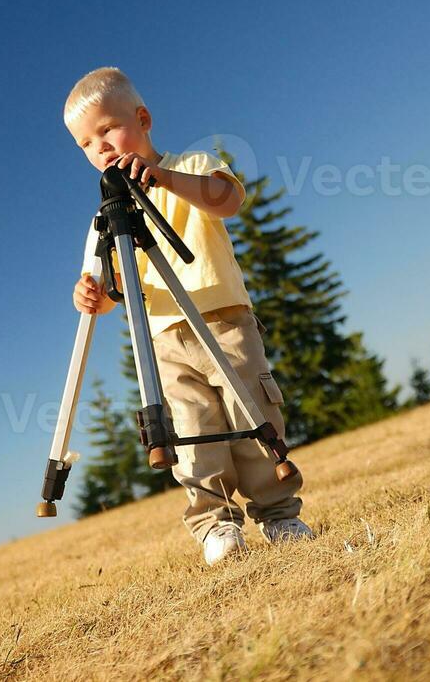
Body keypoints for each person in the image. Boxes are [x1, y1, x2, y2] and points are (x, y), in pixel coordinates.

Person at [64, 66, 315, 566]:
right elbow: (115, 290)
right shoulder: (102, 221)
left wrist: (164, 179)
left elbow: (229, 199)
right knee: (192, 428)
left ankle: (279, 511)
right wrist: (93, 296)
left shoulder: (191, 165)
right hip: (163, 337)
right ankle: (215, 524)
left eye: (109, 129)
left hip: (224, 319)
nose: (103, 148)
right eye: (88, 144)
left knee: (253, 412)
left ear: (143, 118)